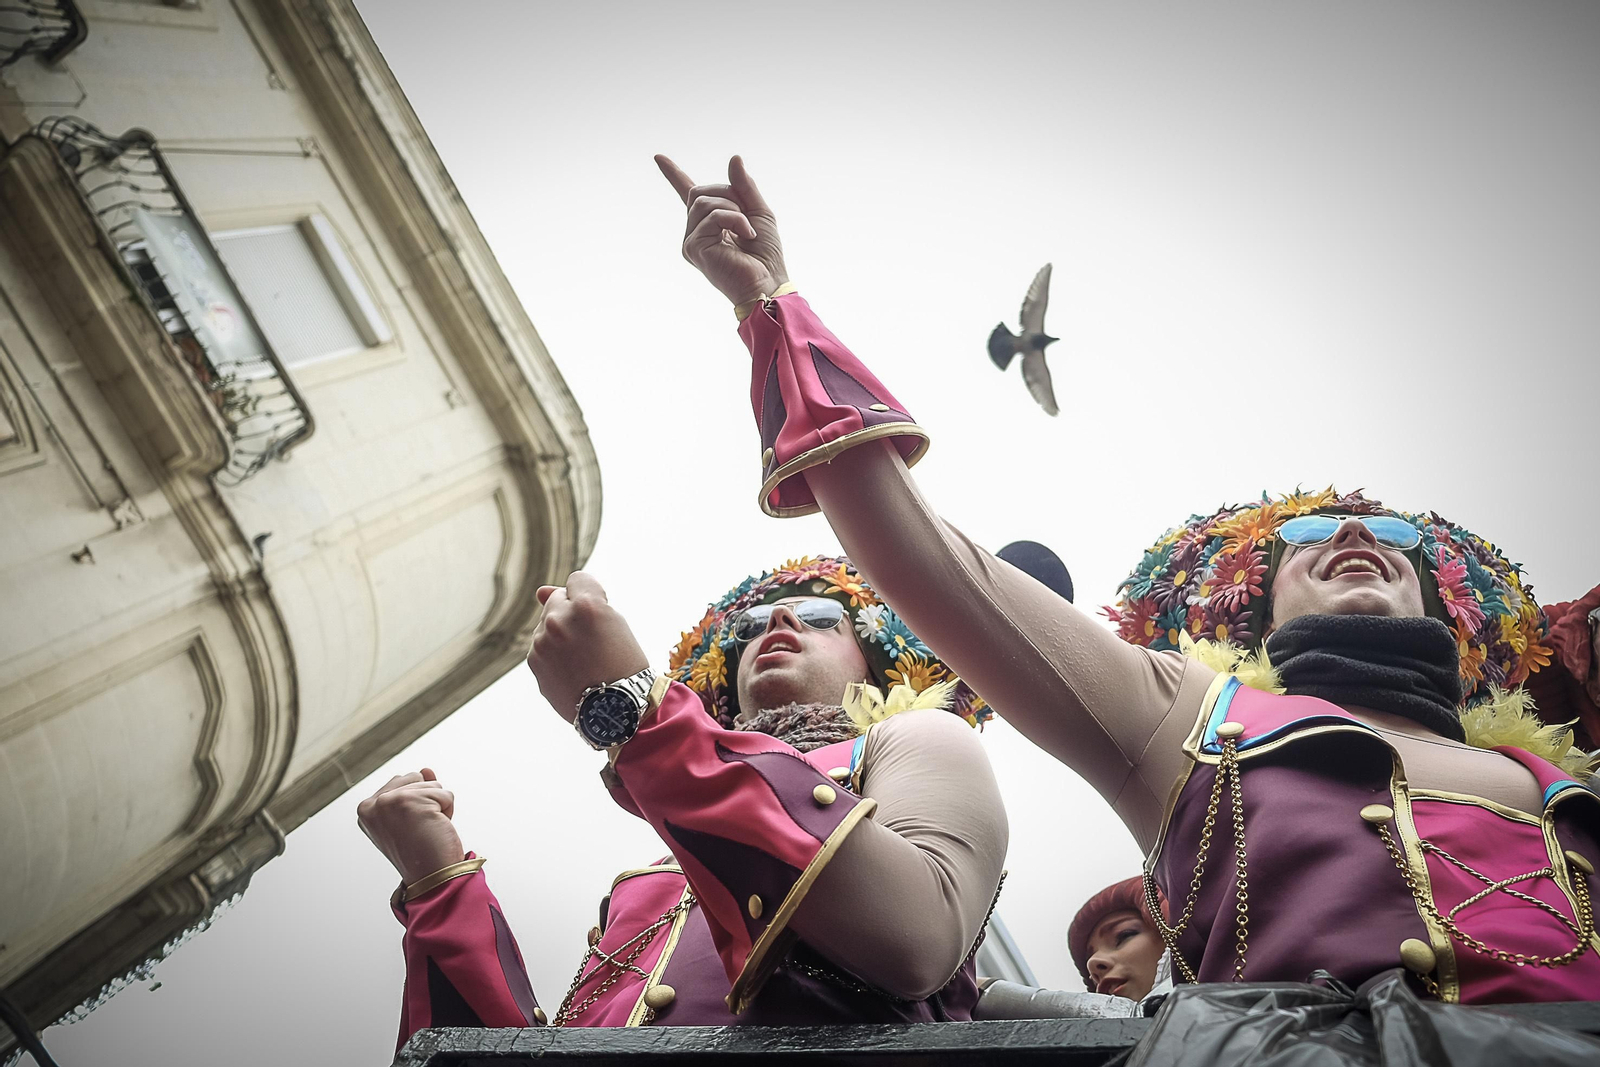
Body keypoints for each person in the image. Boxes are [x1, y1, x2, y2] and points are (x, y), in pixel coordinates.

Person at [655, 153, 1600, 1004]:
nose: (1355, 528)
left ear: (1448, 597)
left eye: (1390, 531)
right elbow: (924, 556)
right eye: (1301, 534)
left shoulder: (1564, 763)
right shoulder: (1188, 713)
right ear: (1246, 602)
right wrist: (771, 307)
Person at [358, 557, 1006, 1049]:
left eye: (819, 616)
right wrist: (440, 888)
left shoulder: (915, 739)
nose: (778, 621)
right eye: (749, 626)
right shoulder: (644, 885)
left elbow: (917, 937)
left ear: (882, 659)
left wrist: (637, 710)